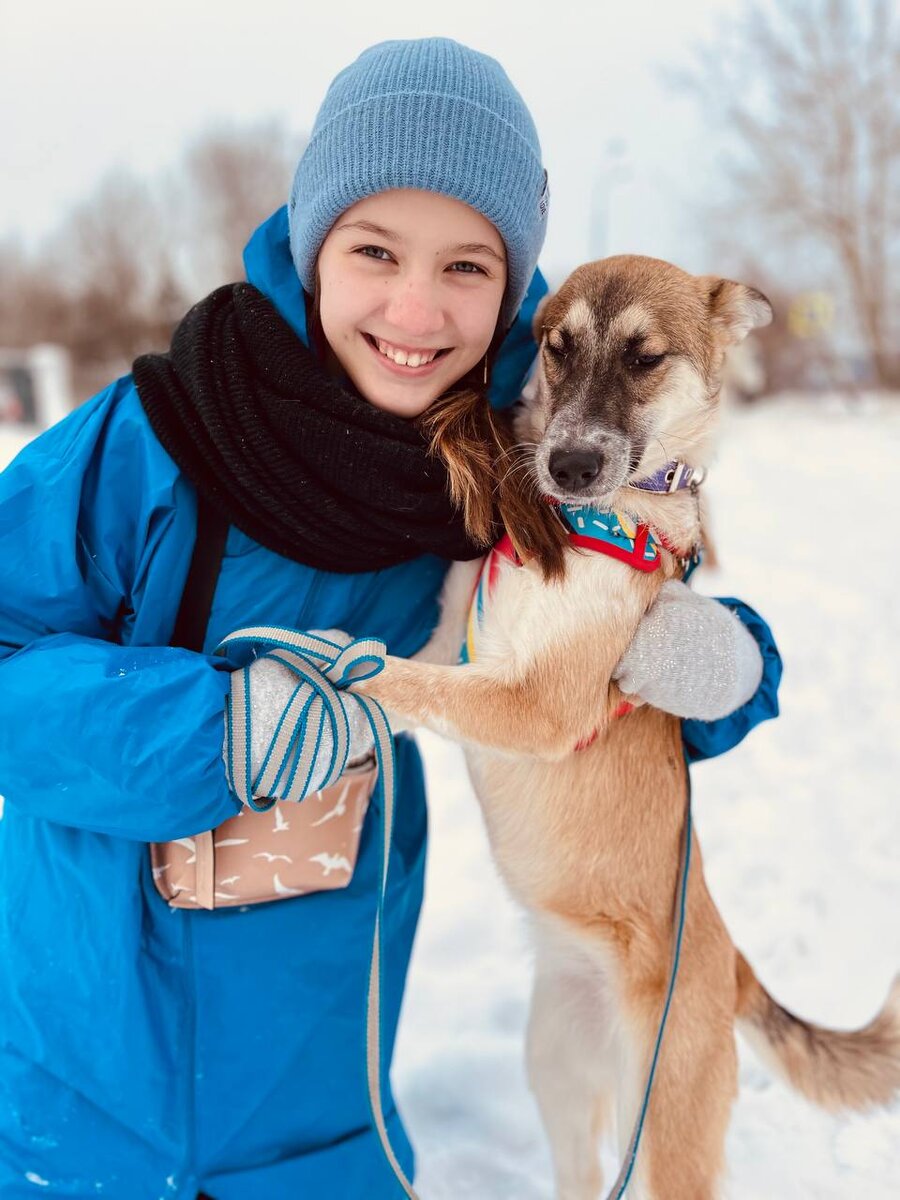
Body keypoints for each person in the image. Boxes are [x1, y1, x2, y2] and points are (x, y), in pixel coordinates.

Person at [0, 37, 781, 1200]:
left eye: (468, 266)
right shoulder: (150, 436)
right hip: (78, 1083)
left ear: (514, 288)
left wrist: (731, 666)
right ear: (316, 247)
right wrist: (212, 733)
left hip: (325, 1091)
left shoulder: (513, 437)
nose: (417, 308)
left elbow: (621, 604)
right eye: (375, 250)